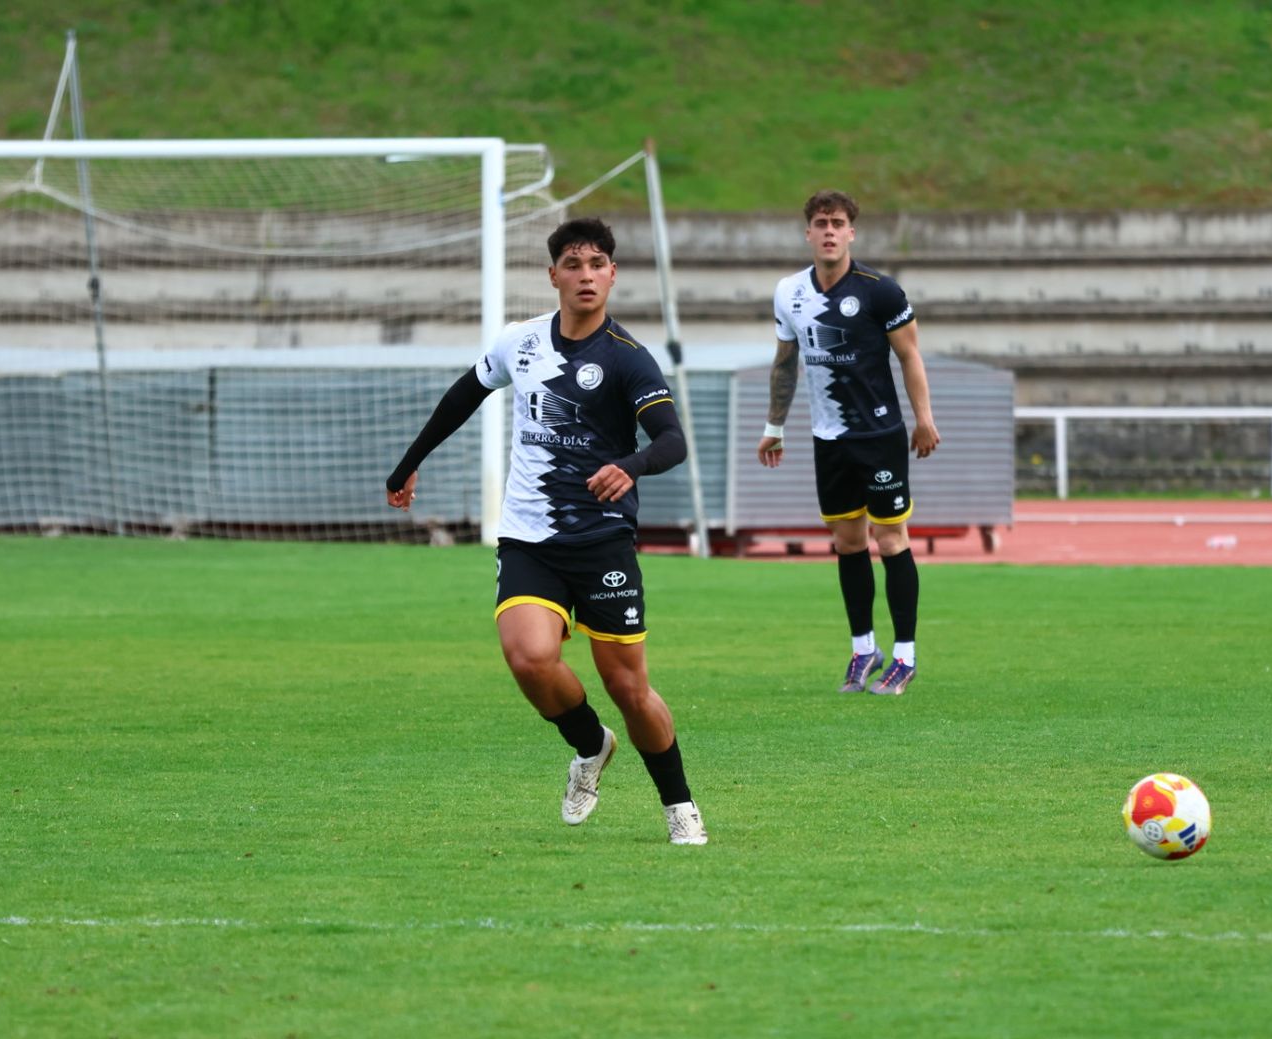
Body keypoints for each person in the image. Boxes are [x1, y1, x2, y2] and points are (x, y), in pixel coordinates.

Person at [384, 217, 707, 844]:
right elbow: (463, 395)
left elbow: (672, 441)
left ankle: (678, 804)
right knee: (530, 659)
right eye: (573, 264)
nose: (586, 275)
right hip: (530, 537)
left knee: (628, 686)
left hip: (602, 540)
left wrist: (631, 464)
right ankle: (591, 747)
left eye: (597, 265)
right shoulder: (521, 342)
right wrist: (409, 461)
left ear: (613, 274)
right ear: (553, 274)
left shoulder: (627, 359)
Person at [757, 190, 940, 696]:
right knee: (847, 542)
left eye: (839, 223)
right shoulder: (789, 292)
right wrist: (775, 426)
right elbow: (785, 362)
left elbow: (910, 357)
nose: (830, 231)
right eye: (821, 223)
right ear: (809, 233)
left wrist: (923, 419)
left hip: (879, 435)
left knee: (891, 539)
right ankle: (864, 649)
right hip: (828, 439)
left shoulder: (881, 290)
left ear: (852, 233)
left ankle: (904, 656)